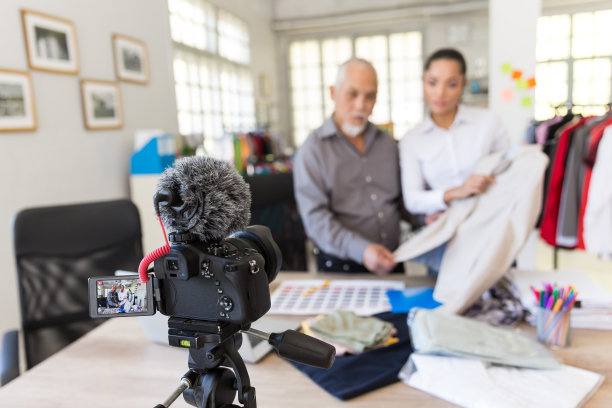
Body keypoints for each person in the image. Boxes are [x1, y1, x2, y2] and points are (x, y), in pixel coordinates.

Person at [293, 58, 404, 275]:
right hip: (341, 267)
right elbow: (316, 220)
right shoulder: (312, 150)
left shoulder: (388, 144)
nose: (361, 105)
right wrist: (362, 250)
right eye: (352, 94)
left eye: (370, 96)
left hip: (393, 262)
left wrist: (427, 215)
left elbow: (402, 203)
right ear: (333, 93)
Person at [400, 48, 510, 224]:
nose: (440, 93)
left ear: (463, 85)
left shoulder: (488, 122)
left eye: (451, 84)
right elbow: (412, 200)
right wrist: (456, 192)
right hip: (448, 227)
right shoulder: (412, 140)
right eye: (432, 82)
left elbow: (508, 172)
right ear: (423, 82)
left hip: (493, 221)